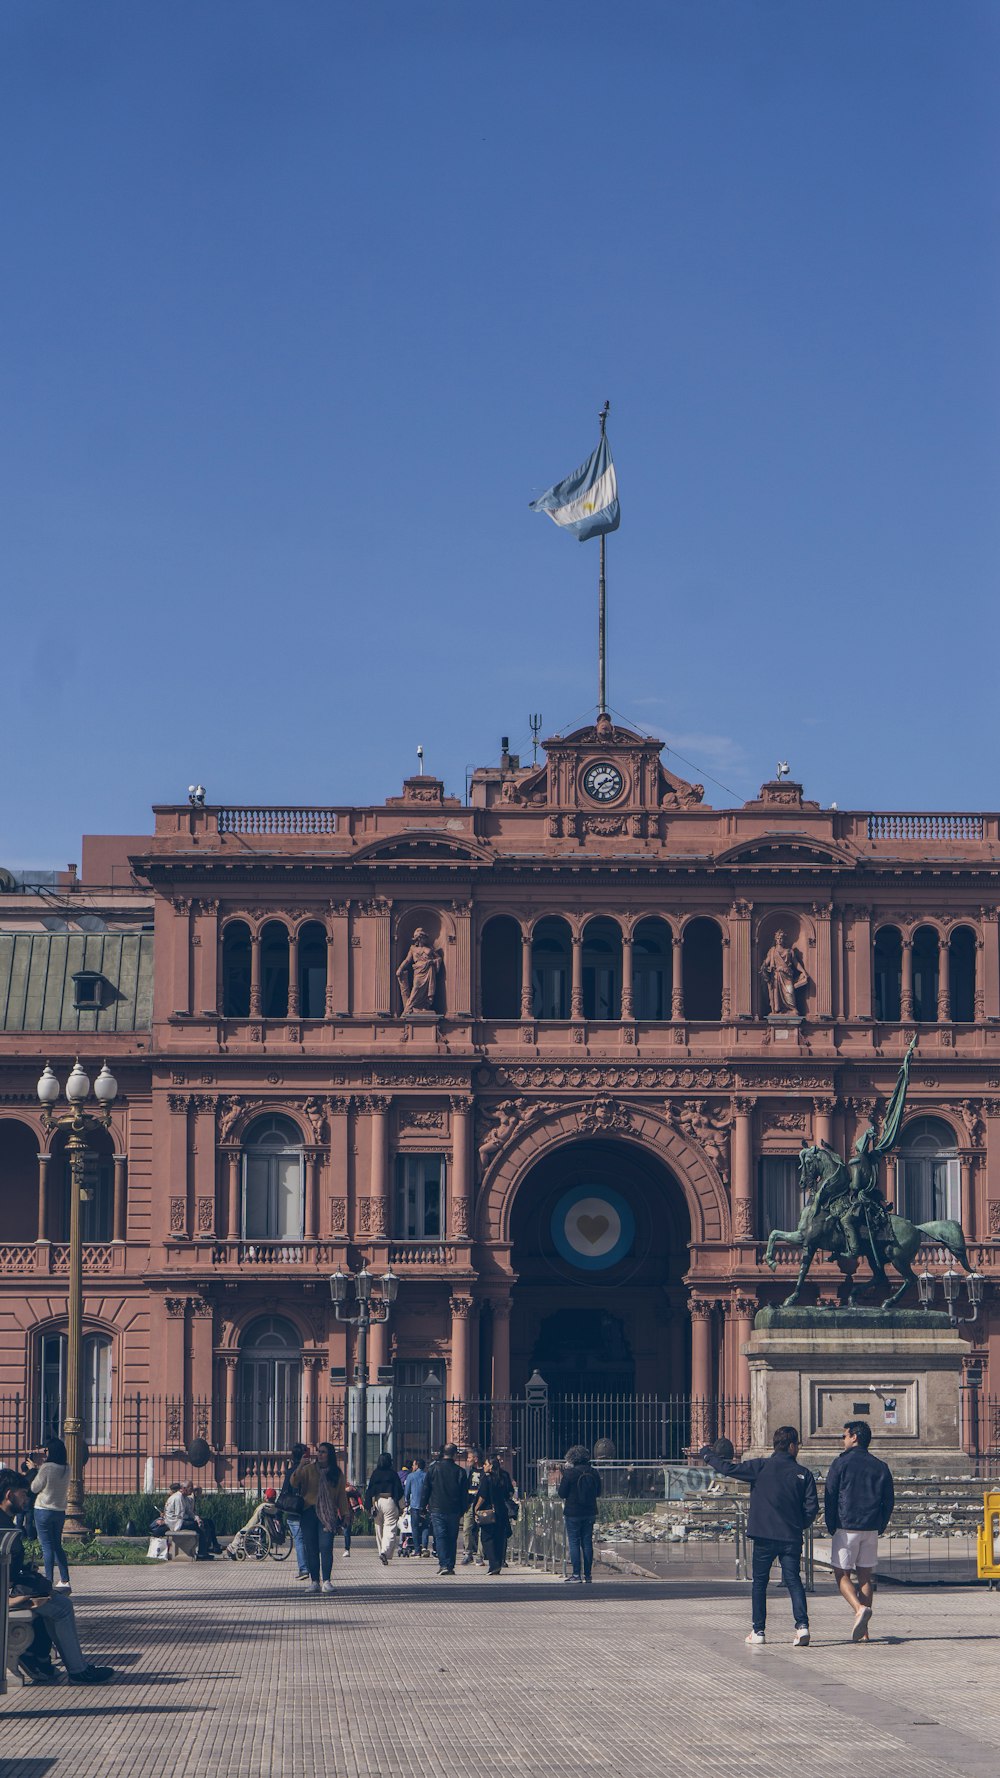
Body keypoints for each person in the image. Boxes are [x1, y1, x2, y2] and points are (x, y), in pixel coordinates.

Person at [701, 1427, 818, 1647]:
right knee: (793, 1580)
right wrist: (799, 1524)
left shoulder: (760, 1467)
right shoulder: (804, 1474)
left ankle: (759, 1631)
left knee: (760, 1583)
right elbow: (812, 1507)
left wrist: (706, 1453)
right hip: (791, 1537)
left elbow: (728, 1468)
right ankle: (802, 1626)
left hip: (763, 1536)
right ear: (792, 1446)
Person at [0, 1468, 114, 1685]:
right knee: (61, 1607)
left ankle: (48, 1662)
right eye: (23, 1493)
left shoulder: (5, 1522)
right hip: (6, 1595)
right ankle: (78, 1671)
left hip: (8, 1589)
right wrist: (17, 1597)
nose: (26, 1498)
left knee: (57, 1601)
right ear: (9, 1495)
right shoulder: (4, 1527)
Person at [824, 1421, 895, 1642]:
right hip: (871, 1527)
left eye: (844, 1436)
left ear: (854, 1437)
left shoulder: (841, 1463)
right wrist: (881, 1524)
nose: (843, 1440)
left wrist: (830, 1523)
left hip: (847, 1526)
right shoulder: (880, 1465)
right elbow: (889, 1500)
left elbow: (830, 1495)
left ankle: (858, 1609)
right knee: (865, 1576)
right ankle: (864, 1632)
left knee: (841, 1574)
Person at [292, 1443, 349, 1594]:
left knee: (326, 1547)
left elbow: (341, 1496)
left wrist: (345, 1514)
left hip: (327, 1514)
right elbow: (294, 1482)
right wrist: (300, 1466)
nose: (320, 1454)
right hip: (309, 1512)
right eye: (319, 1452)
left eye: (323, 1452)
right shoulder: (309, 1469)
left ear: (330, 1455)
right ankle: (314, 1581)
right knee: (311, 1548)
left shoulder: (336, 1473)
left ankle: (327, 1581)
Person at [29, 1436, 72, 1591]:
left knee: (46, 1547)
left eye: (46, 1450)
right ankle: (65, 1579)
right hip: (59, 1511)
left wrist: (34, 1470)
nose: (44, 1453)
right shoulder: (67, 1468)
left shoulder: (47, 1468)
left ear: (51, 1451)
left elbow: (34, 1487)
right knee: (57, 1546)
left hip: (43, 1509)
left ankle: (48, 1581)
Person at [558, 1445, 602, 1585]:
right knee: (587, 1543)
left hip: (573, 1512)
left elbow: (561, 1493)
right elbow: (599, 1492)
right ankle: (588, 1575)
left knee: (574, 1542)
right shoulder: (593, 1472)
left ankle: (576, 1574)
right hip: (590, 1511)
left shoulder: (570, 1473)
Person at [425, 1442, 469, 1575]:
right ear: (455, 1455)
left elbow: (426, 1488)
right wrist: (463, 1509)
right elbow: (464, 1493)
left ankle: (443, 1564)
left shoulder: (433, 1469)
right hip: (454, 1509)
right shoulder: (460, 1471)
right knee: (452, 1537)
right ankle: (450, 1565)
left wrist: (423, 1505)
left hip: (437, 1508)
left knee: (440, 1537)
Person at [473, 1453, 515, 1575]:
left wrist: (476, 1508)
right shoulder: (504, 1476)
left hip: (489, 1511)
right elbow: (510, 1492)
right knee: (499, 1538)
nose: (484, 1466)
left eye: (486, 1464)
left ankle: (493, 1564)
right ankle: (499, 1562)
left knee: (487, 1538)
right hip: (502, 1511)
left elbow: (482, 1495)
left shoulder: (487, 1478)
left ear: (491, 1466)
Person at [365, 1451, 405, 1565]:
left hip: (377, 1502)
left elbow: (369, 1490)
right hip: (389, 1501)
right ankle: (385, 1551)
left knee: (378, 1528)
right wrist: (402, 1507)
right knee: (390, 1528)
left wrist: (368, 1506)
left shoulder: (375, 1473)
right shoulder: (393, 1474)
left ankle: (380, 1551)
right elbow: (399, 1490)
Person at [163, 1481, 219, 1560]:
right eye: (190, 1488)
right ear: (184, 1489)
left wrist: (196, 1518)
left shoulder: (183, 1497)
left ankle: (204, 1550)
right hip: (175, 1523)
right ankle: (202, 1553)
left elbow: (189, 1511)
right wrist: (180, 1527)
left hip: (179, 1520)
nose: (192, 1490)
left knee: (202, 1524)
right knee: (199, 1528)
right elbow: (180, 1514)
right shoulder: (178, 1498)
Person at [280, 1442, 309, 1578]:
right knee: (309, 1540)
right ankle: (310, 1567)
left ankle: (303, 1569)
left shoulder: (291, 1471)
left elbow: (285, 1490)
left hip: (294, 1510)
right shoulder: (310, 1470)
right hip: (308, 1508)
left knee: (299, 1540)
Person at [460, 1449, 484, 1566]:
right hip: (470, 1503)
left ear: (476, 1459)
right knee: (466, 1528)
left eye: (469, 1458)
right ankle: (468, 1553)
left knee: (481, 1529)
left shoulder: (485, 1471)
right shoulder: (468, 1471)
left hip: (482, 1503)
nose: (467, 1460)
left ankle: (480, 1555)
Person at [404, 1458, 431, 1557]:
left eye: (414, 1464)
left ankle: (417, 1550)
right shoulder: (427, 1476)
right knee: (425, 1527)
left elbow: (407, 1491)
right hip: (426, 1505)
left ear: (417, 1465)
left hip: (414, 1505)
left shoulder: (411, 1476)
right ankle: (424, 1547)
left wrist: (406, 1501)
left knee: (415, 1528)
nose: (412, 1466)